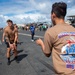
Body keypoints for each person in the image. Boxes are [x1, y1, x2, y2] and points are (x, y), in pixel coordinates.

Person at [36, 2, 75, 75]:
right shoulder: (73, 29)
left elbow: (47, 53)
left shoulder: (50, 31)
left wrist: (41, 43)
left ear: (53, 14)